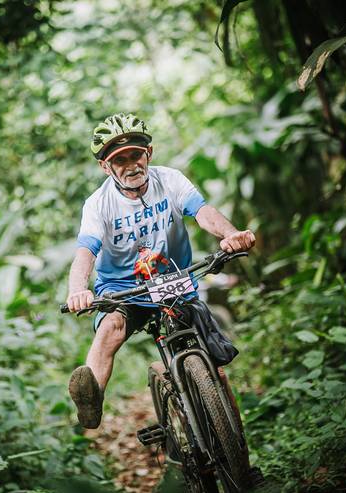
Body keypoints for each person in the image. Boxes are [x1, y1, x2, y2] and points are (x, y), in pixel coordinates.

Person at [66, 113, 256, 429]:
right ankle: (92, 397)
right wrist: (77, 290)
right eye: (120, 160)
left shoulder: (170, 180)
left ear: (149, 153)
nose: (131, 165)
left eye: (136, 155)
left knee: (215, 371)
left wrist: (231, 234)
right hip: (124, 289)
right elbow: (85, 251)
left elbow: (203, 213)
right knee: (111, 326)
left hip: (174, 280)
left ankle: (236, 448)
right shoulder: (98, 204)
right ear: (105, 167)